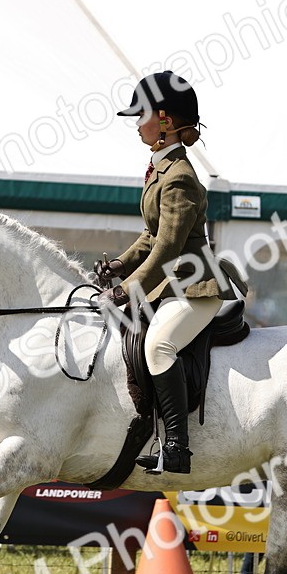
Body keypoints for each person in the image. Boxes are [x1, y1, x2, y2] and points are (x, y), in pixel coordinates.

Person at [96, 71, 248, 474]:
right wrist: (118, 265)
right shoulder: (161, 168)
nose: (136, 124)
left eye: (142, 115)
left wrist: (125, 290)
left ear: (164, 120)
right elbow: (151, 235)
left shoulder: (180, 176)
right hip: (170, 284)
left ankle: (178, 447)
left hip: (195, 285)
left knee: (159, 346)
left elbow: (168, 248)